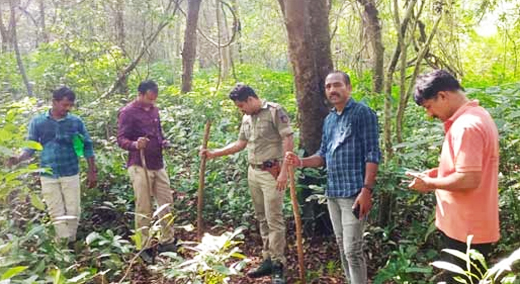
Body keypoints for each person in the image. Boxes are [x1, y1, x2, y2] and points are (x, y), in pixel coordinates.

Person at [285, 71, 380, 284]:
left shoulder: (362, 113)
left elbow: (373, 154)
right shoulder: (329, 120)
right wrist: (300, 162)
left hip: (354, 193)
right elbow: (324, 155)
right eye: (328, 87)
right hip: (333, 193)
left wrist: (366, 190)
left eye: (337, 85)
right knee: (341, 245)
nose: (332, 90)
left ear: (349, 87)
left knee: (352, 250)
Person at [407, 69, 499, 283]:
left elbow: (469, 179)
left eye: (429, 107)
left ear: (442, 95)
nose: (429, 114)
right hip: (465, 227)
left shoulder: (466, 126)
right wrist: (434, 174)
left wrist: (430, 183)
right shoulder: (477, 116)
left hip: (467, 232)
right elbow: (470, 169)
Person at [200, 84, 294, 284]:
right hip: (253, 172)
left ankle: (278, 265)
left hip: (272, 173)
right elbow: (240, 144)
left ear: (251, 99)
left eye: (241, 105)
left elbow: (288, 140)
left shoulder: (274, 111)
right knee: (262, 218)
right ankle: (267, 259)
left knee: (274, 219)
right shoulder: (246, 118)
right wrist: (214, 153)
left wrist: (285, 172)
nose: (240, 109)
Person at [7, 86, 97, 244]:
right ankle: (65, 245)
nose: (67, 109)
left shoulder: (75, 122)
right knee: (56, 211)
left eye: (70, 105)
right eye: (64, 105)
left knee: (73, 210)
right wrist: (18, 158)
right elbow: (31, 147)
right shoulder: (38, 122)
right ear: (54, 102)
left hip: (70, 171)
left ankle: (70, 240)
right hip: (48, 172)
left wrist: (92, 171)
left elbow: (87, 145)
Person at [117, 80, 177, 260]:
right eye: (149, 98)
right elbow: (121, 139)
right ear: (141, 94)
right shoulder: (127, 112)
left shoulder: (154, 110)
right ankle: (143, 247)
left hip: (157, 163)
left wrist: (164, 142)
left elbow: (158, 133)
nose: (152, 102)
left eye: (154, 99)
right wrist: (135, 144)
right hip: (139, 164)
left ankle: (168, 241)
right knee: (144, 207)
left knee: (166, 203)